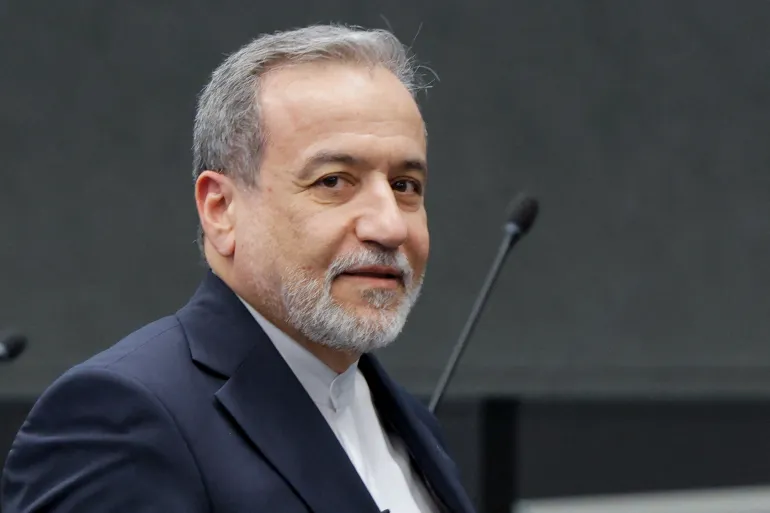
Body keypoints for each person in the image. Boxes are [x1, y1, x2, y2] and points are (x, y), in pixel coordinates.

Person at [1, 24, 476, 513]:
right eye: (333, 181)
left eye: (404, 186)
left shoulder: (409, 422)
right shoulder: (119, 419)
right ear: (221, 210)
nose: (389, 226)